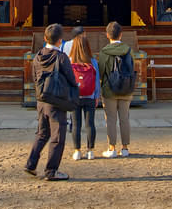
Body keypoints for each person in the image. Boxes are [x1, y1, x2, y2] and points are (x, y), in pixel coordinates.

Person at [25, 23, 75, 181]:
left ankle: (31, 164)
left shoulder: (38, 56)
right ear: (60, 40)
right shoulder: (61, 57)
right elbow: (71, 79)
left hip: (41, 100)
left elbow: (34, 76)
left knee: (42, 133)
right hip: (56, 101)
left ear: (45, 38)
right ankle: (51, 170)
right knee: (57, 136)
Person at [97, 21, 133, 158]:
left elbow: (101, 72)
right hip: (126, 88)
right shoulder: (128, 50)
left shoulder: (104, 52)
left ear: (107, 35)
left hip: (109, 89)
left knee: (111, 119)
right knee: (125, 118)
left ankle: (111, 147)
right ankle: (125, 148)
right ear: (121, 34)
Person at [68, 33, 100, 161]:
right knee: (90, 124)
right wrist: (97, 95)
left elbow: (68, 80)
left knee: (76, 124)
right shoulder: (93, 62)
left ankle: (77, 151)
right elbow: (97, 80)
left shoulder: (70, 61)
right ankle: (90, 151)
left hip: (75, 96)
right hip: (90, 95)